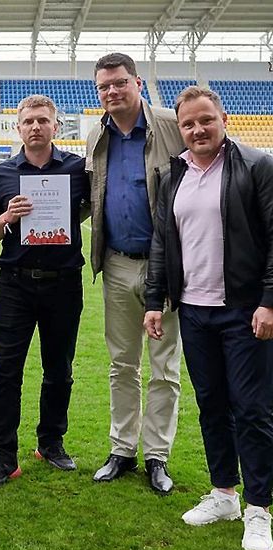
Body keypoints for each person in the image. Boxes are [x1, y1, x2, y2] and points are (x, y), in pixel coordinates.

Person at [144, 86, 273, 550]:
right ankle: (224, 494)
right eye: (189, 124)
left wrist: (269, 301)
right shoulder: (172, 173)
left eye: (206, 120)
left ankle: (259, 508)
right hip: (194, 310)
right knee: (211, 404)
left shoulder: (256, 167)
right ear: (180, 128)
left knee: (253, 410)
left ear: (224, 119)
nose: (198, 130)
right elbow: (162, 241)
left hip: (243, 310)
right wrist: (154, 299)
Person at [0, 95, 89, 488]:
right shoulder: (3, 173)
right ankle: (3, 455)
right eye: (28, 121)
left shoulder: (78, 169)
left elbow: (89, 209)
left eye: (43, 121)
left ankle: (51, 442)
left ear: (56, 127)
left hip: (63, 282)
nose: (36, 127)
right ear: (18, 127)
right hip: (16, 282)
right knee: (6, 370)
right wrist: (7, 217)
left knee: (59, 369)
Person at [86, 52, 184, 494]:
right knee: (121, 365)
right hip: (117, 264)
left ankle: (157, 455)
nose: (112, 92)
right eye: (104, 87)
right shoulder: (96, 134)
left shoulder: (170, 125)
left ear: (138, 83)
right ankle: (122, 449)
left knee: (164, 368)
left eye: (119, 83)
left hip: (167, 269)